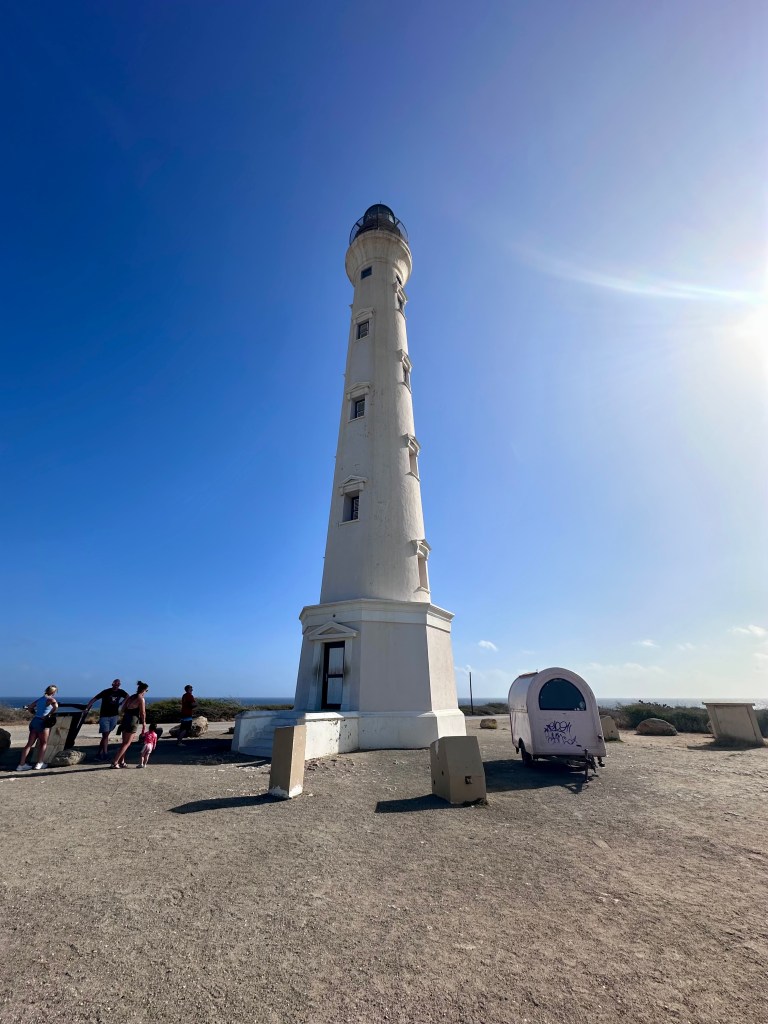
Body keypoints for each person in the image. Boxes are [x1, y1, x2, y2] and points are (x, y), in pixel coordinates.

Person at [16, 685, 59, 771]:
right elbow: (56, 706)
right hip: (42, 723)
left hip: (34, 721)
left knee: (29, 744)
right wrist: (48, 715)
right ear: (54, 692)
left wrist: (35, 713)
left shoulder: (40, 699)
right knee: (43, 743)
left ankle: (21, 765)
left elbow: (30, 707)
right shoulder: (50, 699)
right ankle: (39, 763)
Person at [84, 678, 128, 760]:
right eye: (115, 684)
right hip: (104, 716)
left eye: (118, 684)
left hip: (114, 716)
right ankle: (105, 753)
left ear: (119, 685)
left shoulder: (121, 692)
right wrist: (87, 708)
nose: (116, 686)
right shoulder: (106, 692)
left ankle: (99, 753)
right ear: (112, 684)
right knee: (105, 735)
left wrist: (122, 703)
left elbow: (128, 697)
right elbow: (94, 699)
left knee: (106, 735)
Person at [111, 682, 148, 769]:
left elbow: (123, 709)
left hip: (125, 719)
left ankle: (122, 761)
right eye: (147, 690)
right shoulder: (141, 699)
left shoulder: (131, 697)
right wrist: (144, 723)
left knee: (124, 743)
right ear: (144, 690)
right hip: (133, 720)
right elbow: (143, 713)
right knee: (127, 743)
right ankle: (115, 761)